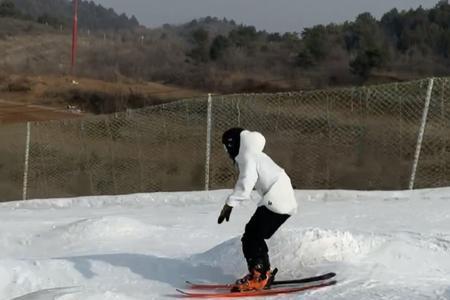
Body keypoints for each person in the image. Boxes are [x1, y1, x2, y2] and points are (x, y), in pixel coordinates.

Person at [218, 128, 298, 292]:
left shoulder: (249, 158)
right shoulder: (256, 156)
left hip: (277, 199)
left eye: (226, 147)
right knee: (254, 235)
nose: (226, 152)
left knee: (251, 236)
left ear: (233, 145)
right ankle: (262, 274)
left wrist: (230, 204)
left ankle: (260, 276)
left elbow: (246, 182)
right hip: (281, 199)